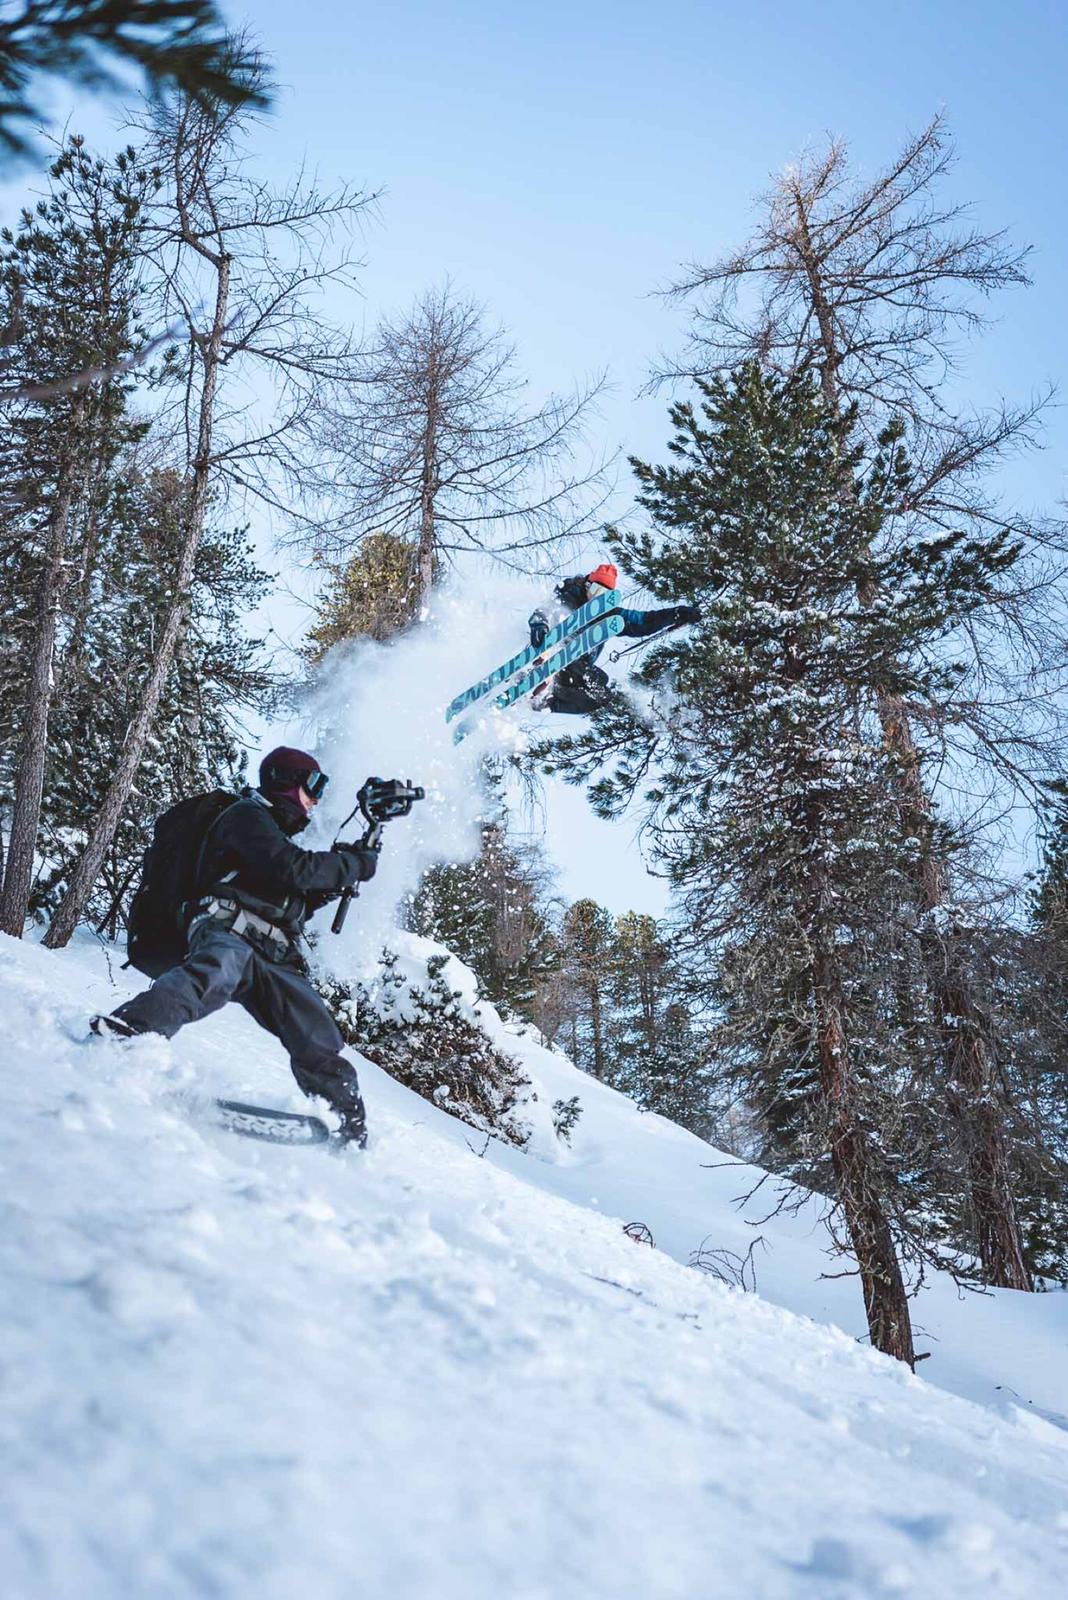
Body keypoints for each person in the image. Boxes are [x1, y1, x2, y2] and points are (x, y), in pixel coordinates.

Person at [91, 746, 378, 1146]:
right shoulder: (246, 816)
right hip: (226, 931)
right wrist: (352, 865)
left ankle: (347, 1128)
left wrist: (341, 873)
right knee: (213, 975)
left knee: (316, 1034)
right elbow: (291, 867)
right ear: (286, 782)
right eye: (314, 786)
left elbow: (295, 896)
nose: (316, 800)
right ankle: (122, 1034)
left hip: (273, 954)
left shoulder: (272, 835)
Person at [527, 562, 700, 714]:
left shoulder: (609, 615)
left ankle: (546, 700)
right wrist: (539, 626)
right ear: (587, 584)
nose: (597, 596)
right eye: (595, 589)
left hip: (576, 667)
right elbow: (545, 611)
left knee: (601, 691)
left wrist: (676, 614)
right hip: (557, 650)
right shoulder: (568, 596)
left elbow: (644, 621)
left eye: (603, 594)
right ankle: (537, 666)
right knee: (591, 677)